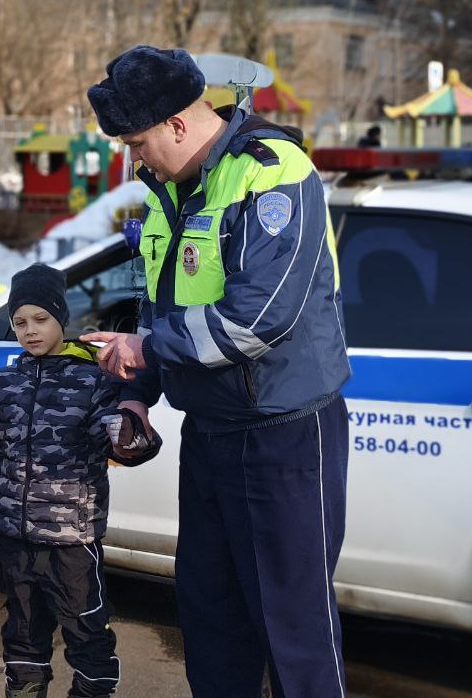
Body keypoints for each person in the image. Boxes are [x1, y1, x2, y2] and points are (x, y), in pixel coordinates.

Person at [82, 44, 351, 697]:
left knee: (294, 635)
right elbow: (161, 305)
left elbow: (259, 318)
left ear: (178, 123)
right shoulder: (171, 188)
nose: (132, 158)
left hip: (283, 436)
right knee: (211, 622)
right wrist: (137, 395)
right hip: (210, 435)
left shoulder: (272, 172)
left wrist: (147, 353)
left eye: (138, 142)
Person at [0, 263, 153, 698]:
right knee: (22, 637)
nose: (30, 330)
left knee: (88, 635)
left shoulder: (93, 379)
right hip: (15, 539)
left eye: (41, 319)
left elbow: (124, 442)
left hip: (72, 541)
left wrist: (128, 433)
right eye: (19, 322)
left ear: (61, 317)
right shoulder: (0, 384)